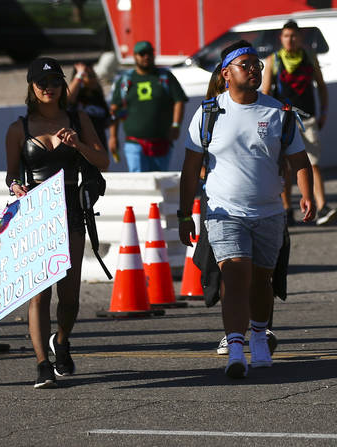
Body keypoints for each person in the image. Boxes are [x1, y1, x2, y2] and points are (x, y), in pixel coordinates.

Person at [180, 41, 313, 379]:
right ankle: (235, 348)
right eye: (245, 64)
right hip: (224, 212)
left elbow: (299, 161)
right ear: (226, 74)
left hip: (269, 212)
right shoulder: (208, 113)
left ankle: (258, 336)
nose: (254, 69)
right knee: (235, 275)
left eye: (257, 64)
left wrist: (307, 195)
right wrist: (184, 214)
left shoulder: (279, 112)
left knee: (262, 281)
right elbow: (190, 167)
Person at [5, 57, 108, 388]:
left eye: (54, 82)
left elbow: (103, 160)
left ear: (64, 86)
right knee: (38, 295)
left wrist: (77, 145)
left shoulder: (79, 119)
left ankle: (61, 340)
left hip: (70, 210)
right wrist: (14, 185)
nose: (48, 88)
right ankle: (41, 363)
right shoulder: (18, 128)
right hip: (36, 212)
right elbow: (11, 173)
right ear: (31, 88)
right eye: (41, 83)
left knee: (70, 296)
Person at [261, 21, 337, 226]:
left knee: (313, 162)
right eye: (286, 36)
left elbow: (321, 86)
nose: (290, 40)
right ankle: (287, 209)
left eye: (293, 36)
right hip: (283, 119)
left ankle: (322, 206)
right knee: (285, 166)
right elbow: (267, 91)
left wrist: (324, 112)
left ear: (300, 38)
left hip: (307, 118)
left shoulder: (308, 57)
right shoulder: (274, 60)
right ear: (281, 38)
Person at [109, 40, 187, 172]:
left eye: (149, 53)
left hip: (162, 142)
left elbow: (179, 100)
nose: (146, 56)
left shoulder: (165, 76)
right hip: (134, 143)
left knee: (160, 183)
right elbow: (114, 110)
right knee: (139, 183)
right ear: (135, 56)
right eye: (142, 53)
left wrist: (176, 125)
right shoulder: (124, 80)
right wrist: (113, 136)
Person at [67, 61, 111, 149]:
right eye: (90, 76)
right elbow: (68, 99)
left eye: (94, 76)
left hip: (100, 147)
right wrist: (79, 74)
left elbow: (107, 122)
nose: (94, 79)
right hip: (82, 148)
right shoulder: (76, 98)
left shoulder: (98, 97)